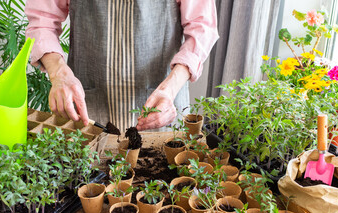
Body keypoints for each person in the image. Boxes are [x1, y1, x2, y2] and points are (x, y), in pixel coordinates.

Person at [25, 0, 219, 132]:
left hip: (162, 105)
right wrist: (59, 73)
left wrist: (170, 88)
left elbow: (202, 29)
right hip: (89, 110)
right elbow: (43, 23)